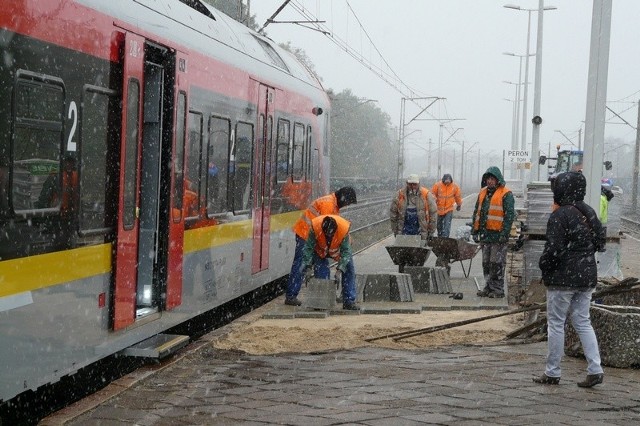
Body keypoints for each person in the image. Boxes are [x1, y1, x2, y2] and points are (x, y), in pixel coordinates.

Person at [534, 171, 606, 387]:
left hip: (562, 279)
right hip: (586, 277)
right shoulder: (589, 212)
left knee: (556, 323)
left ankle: (553, 372)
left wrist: (544, 266)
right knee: (583, 321)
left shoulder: (560, 215)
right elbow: (600, 244)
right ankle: (595, 368)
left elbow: (553, 249)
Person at [285, 187, 357, 306]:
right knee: (301, 263)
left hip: (317, 235)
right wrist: (308, 265)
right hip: (306, 234)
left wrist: (340, 268)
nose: (346, 205)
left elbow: (330, 230)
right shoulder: (328, 205)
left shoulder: (334, 204)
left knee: (322, 265)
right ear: (343, 199)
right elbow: (326, 229)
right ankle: (292, 295)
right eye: (347, 203)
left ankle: (324, 297)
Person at [471, 166, 515, 298]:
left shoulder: (506, 194)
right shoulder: (483, 193)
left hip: (498, 235)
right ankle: (489, 286)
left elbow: (509, 215)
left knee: (497, 263)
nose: (489, 181)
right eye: (488, 179)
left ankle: (497, 289)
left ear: (497, 180)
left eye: (492, 179)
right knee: (486, 263)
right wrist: (475, 230)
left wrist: (504, 233)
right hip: (486, 235)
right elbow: (476, 212)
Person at [302, 214, 359, 310]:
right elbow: (308, 249)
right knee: (321, 272)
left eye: (331, 235)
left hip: (338, 251)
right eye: (327, 235)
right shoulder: (315, 228)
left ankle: (349, 301)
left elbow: (345, 252)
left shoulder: (343, 229)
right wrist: (308, 267)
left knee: (349, 269)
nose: (329, 237)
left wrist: (339, 270)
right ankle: (321, 302)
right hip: (321, 251)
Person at [390, 174, 437, 239]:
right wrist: (395, 230)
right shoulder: (400, 194)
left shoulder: (426, 194)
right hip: (405, 227)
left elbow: (433, 213)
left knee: (419, 247)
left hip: (420, 227)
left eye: (415, 184)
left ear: (418, 184)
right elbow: (393, 214)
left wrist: (431, 231)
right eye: (410, 184)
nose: (412, 186)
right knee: (404, 246)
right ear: (407, 183)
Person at [431, 173, 463, 238]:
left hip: (449, 209)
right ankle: (440, 236)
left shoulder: (454, 187)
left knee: (447, 225)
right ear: (443, 180)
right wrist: (434, 201)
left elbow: (458, 196)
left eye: (449, 181)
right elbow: (432, 194)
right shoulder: (437, 185)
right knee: (439, 225)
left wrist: (459, 205)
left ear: (451, 180)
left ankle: (445, 238)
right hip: (439, 209)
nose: (447, 183)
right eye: (446, 182)